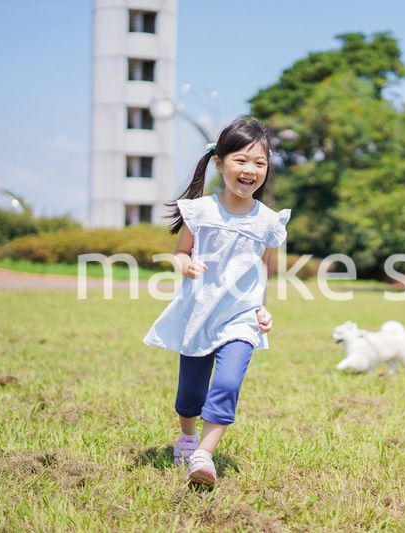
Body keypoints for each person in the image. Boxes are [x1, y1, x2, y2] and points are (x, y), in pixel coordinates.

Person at [143, 116, 291, 485]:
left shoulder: (268, 222)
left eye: (259, 163)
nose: (250, 169)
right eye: (241, 160)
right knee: (190, 393)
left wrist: (262, 306)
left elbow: (261, 270)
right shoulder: (201, 211)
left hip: (240, 318)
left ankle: (203, 457)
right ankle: (188, 435)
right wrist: (186, 265)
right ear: (220, 162)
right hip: (199, 313)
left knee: (227, 383)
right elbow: (180, 252)